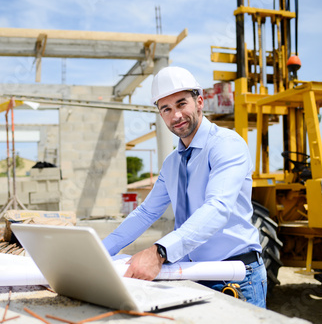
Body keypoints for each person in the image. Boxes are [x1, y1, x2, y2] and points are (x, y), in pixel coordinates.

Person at [102, 66, 267, 308]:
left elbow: (218, 207)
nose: (175, 116)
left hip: (235, 276)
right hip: (193, 274)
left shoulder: (226, 145)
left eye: (181, 104)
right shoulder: (172, 163)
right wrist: (100, 252)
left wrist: (159, 251)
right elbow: (146, 212)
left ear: (199, 101)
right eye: (166, 109)